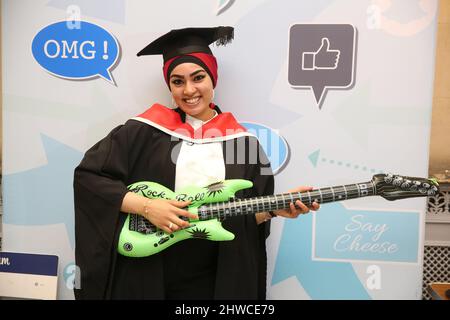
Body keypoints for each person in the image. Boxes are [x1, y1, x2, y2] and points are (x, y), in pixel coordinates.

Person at [73, 26, 319, 300]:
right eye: (177, 82)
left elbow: (244, 218)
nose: (189, 90)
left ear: (213, 78)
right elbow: (89, 179)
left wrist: (274, 210)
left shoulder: (244, 143)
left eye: (198, 77)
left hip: (216, 277)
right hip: (150, 272)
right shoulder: (142, 131)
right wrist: (148, 206)